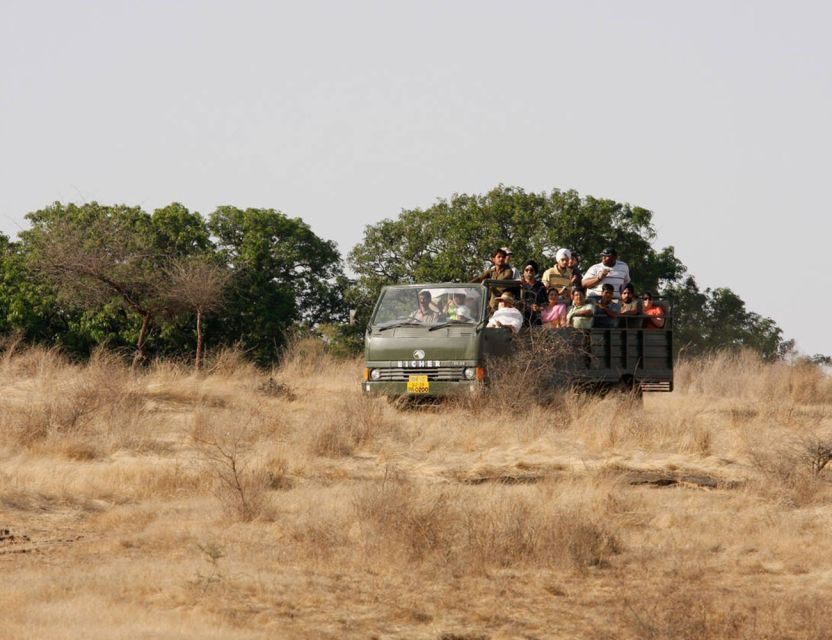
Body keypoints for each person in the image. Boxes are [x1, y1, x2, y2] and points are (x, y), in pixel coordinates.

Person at [518, 259, 547, 325]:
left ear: (535, 272)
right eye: (526, 270)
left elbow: (546, 303)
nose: (529, 272)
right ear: (523, 272)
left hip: (536, 319)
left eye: (531, 270)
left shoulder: (540, 286)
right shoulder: (519, 285)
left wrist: (539, 308)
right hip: (521, 318)